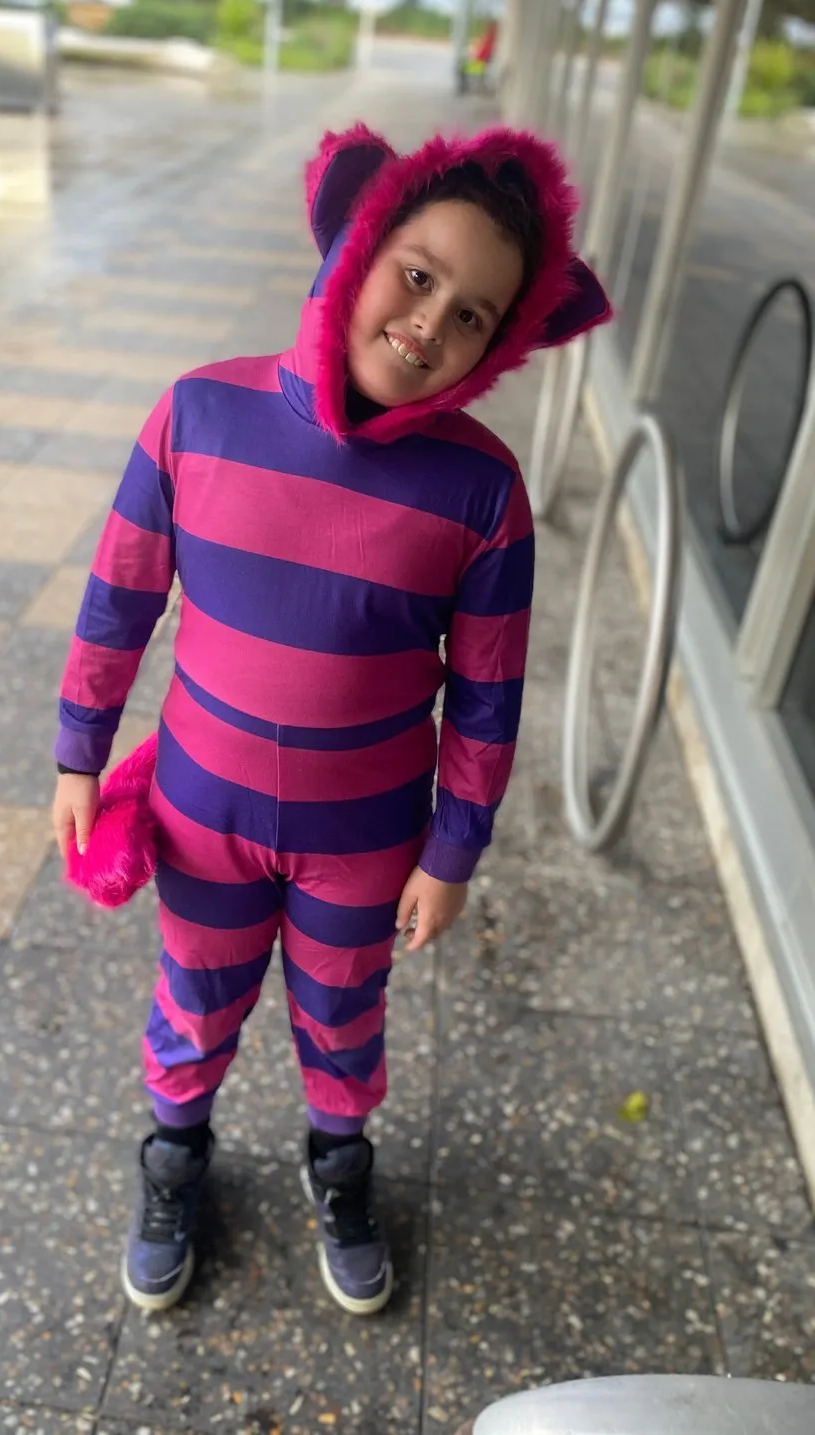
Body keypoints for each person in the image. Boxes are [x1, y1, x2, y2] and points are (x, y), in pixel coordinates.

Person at [51, 123, 611, 1317]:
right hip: (204, 807)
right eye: (417, 274)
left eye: (474, 314)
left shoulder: (481, 491)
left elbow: (489, 695)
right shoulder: (199, 414)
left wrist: (452, 854)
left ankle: (339, 1163)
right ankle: (174, 1154)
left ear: (504, 340)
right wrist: (77, 756)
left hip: (366, 838)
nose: (430, 323)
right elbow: (120, 597)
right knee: (195, 992)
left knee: (343, 1011)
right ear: (356, 249)